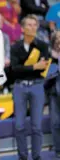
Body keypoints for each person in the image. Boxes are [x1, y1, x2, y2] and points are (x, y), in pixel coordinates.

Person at [10, 14, 49, 160]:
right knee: (19, 125)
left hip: (37, 86)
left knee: (36, 126)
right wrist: (34, 66)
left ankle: (37, 156)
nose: (33, 27)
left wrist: (26, 68)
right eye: (29, 25)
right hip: (19, 87)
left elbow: (43, 68)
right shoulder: (15, 47)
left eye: (35, 25)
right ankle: (23, 156)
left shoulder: (43, 45)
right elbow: (14, 69)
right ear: (22, 28)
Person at [48, 30, 60, 158]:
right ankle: (58, 150)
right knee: (56, 123)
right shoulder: (50, 57)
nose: (59, 43)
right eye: (57, 40)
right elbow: (44, 77)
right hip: (54, 94)